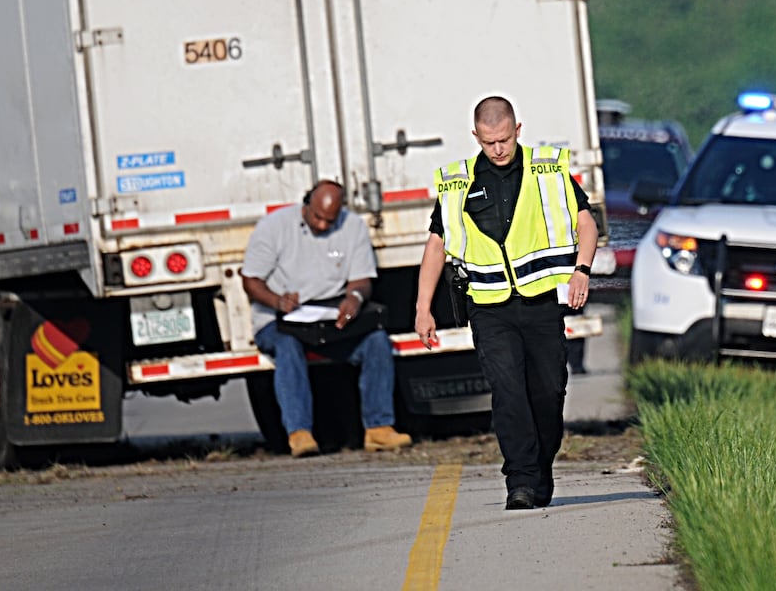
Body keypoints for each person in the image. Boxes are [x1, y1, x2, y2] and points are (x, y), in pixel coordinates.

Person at [413, 95, 598, 509]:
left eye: (504, 140)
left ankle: (540, 468)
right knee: (508, 391)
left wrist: (581, 270)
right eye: (488, 142)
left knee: (548, 392)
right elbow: (436, 245)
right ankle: (520, 480)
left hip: (539, 304)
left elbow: (586, 223)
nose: (497, 149)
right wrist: (423, 307)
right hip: (489, 306)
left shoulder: (548, 170)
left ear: (518, 130)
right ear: (476, 136)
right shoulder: (457, 183)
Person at [242, 179, 412, 457]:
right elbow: (250, 280)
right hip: (280, 317)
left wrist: (354, 299)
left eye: (329, 221)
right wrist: (277, 301)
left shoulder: (353, 226)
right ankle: (299, 433)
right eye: (317, 218)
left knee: (377, 342)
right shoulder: (274, 226)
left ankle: (379, 428)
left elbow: (362, 279)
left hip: (328, 317)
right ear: (306, 205)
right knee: (287, 347)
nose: (322, 226)